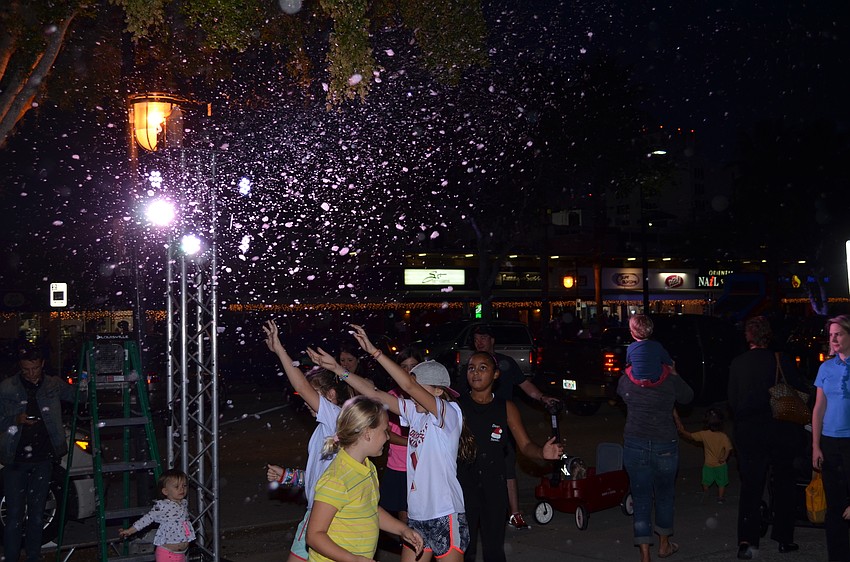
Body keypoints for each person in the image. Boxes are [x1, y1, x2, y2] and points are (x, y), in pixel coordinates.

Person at [308, 324, 469, 562]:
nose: (410, 395)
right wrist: (338, 369)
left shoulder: (449, 413)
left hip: (444, 513)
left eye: (418, 388)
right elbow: (375, 394)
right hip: (417, 514)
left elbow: (407, 385)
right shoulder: (416, 413)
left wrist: (375, 352)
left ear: (437, 391)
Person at [458, 351, 563, 562]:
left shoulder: (506, 407)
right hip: (462, 487)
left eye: (482, 368)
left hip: (494, 486)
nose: (476, 373)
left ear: (496, 374)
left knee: (494, 549)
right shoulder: (457, 407)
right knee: (464, 549)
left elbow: (525, 445)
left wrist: (541, 452)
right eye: (471, 368)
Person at [263, 320, 349, 562]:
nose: (306, 401)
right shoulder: (325, 429)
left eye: (314, 395)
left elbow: (300, 386)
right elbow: (318, 476)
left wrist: (280, 350)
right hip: (319, 512)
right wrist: (287, 476)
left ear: (331, 395)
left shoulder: (336, 417)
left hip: (326, 515)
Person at [306, 395, 424, 562]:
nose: (388, 437)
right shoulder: (337, 479)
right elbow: (314, 535)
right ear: (368, 433)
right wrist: (353, 559)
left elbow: (371, 510)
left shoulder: (368, 467)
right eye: (385, 431)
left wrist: (402, 530)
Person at [728, 316, 808, 560]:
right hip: (780, 430)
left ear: (748, 336)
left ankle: (747, 541)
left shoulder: (738, 363)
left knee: (751, 488)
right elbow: (799, 390)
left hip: (750, 432)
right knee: (784, 484)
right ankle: (784, 538)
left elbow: (733, 401)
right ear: (768, 336)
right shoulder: (780, 359)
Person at [467, 324, 558, 530]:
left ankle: (514, 513)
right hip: (477, 427)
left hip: (503, 426)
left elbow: (525, 385)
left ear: (492, 340)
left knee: (507, 469)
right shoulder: (471, 366)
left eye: (483, 337)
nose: (479, 342)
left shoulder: (506, 363)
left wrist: (542, 397)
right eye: (476, 339)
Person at [0, 343, 75, 562]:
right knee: (14, 514)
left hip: (43, 458)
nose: (31, 374)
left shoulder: (52, 384)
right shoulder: (7, 387)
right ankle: (11, 557)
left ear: (42, 364)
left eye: (34, 368)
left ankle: (34, 556)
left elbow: (78, 395)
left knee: (36, 514)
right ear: (20, 367)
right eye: (26, 370)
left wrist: (85, 380)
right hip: (16, 459)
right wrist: (16, 419)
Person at [617, 347, 693, 562]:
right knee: (664, 496)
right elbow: (688, 397)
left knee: (641, 497)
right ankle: (664, 545)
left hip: (636, 443)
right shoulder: (669, 380)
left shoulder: (627, 380)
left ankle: (644, 554)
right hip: (664, 444)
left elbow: (622, 394)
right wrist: (674, 373)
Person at [812, 314, 850, 562]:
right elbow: (819, 408)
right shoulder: (826, 368)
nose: (833, 339)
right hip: (830, 441)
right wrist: (815, 446)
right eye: (831, 335)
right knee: (835, 506)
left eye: (839, 334)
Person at [379, 348, 422, 530]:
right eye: (403, 366)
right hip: (398, 464)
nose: (408, 371)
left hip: (420, 465)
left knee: (418, 512)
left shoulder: (425, 395)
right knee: (402, 513)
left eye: (413, 366)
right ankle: (407, 542)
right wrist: (413, 442)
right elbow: (386, 433)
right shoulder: (391, 396)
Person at [119, 469, 196, 562]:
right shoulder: (162, 506)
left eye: (184, 485)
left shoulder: (184, 503)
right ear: (165, 491)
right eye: (176, 487)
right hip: (167, 554)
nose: (182, 489)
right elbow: (147, 519)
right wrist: (130, 531)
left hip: (181, 554)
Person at [674, 408, 734, 504]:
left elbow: (690, 436)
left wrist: (682, 431)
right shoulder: (723, 436)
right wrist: (724, 458)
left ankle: (706, 493)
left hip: (708, 464)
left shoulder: (704, 434)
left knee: (705, 481)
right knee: (722, 482)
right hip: (720, 464)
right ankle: (720, 498)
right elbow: (728, 449)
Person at [626, 314, 674, 384]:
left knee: (628, 369)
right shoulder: (657, 345)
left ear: (632, 333)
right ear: (651, 330)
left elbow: (628, 361)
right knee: (666, 367)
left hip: (637, 380)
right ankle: (675, 376)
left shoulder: (630, 347)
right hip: (655, 380)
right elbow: (667, 360)